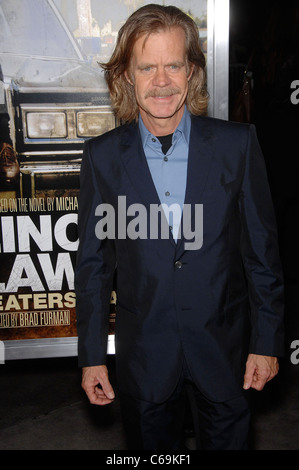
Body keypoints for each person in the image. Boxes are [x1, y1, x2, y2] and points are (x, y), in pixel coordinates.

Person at [75, 4, 284, 450]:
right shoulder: (103, 158)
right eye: (147, 67)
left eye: (173, 65)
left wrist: (266, 342)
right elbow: (93, 267)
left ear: (192, 71)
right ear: (127, 76)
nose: (162, 81)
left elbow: (262, 257)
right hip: (145, 359)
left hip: (226, 355)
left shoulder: (237, 146)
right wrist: (92, 356)